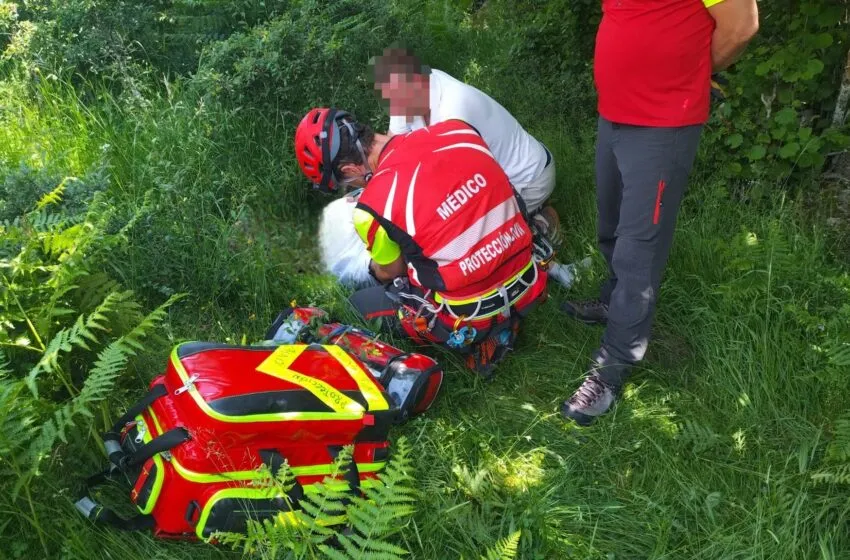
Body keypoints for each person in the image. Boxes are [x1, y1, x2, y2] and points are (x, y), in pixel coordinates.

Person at [559, 0, 759, 425]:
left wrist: (686, 72)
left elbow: (741, 26)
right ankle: (613, 303)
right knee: (611, 223)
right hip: (614, 112)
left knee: (639, 251)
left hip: (662, 121)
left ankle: (613, 366)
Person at [294, 107, 548, 377]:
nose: (354, 189)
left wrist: (374, 267)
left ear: (350, 169)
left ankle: (484, 339)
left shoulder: (371, 207)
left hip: (470, 316)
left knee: (359, 304)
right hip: (529, 276)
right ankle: (509, 316)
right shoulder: (457, 129)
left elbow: (391, 271)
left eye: (348, 183)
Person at [371, 47, 560, 239]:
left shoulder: (453, 109)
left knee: (469, 235)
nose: (396, 110)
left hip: (529, 178)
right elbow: (392, 150)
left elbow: (459, 184)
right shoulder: (405, 96)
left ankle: (541, 226)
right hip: (494, 173)